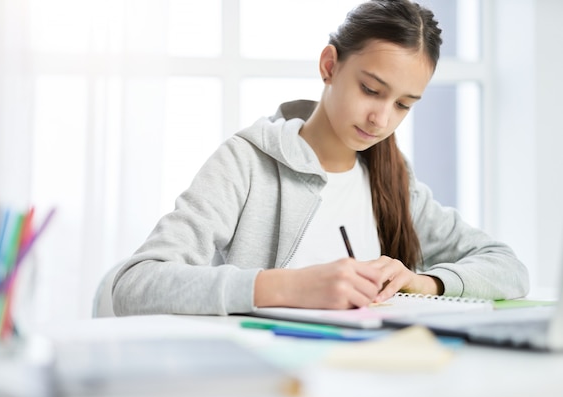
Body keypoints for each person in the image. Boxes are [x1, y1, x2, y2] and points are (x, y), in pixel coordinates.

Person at [112, 0, 529, 317]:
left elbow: (508, 267)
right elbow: (134, 285)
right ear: (330, 66)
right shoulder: (247, 162)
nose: (381, 119)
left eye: (403, 104)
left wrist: (427, 283)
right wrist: (287, 288)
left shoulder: (394, 181)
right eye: (371, 89)